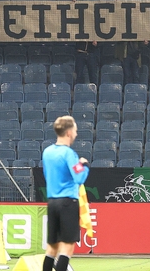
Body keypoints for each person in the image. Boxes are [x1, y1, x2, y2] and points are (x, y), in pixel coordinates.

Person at [42, 116, 89, 271]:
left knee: (51, 248)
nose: (76, 134)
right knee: (67, 248)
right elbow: (79, 177)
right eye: (75, 130)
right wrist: (84, 165)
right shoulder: (69, 154)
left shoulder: (47, 152)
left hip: (52, 202)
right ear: (69, 132)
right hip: (68, 202)